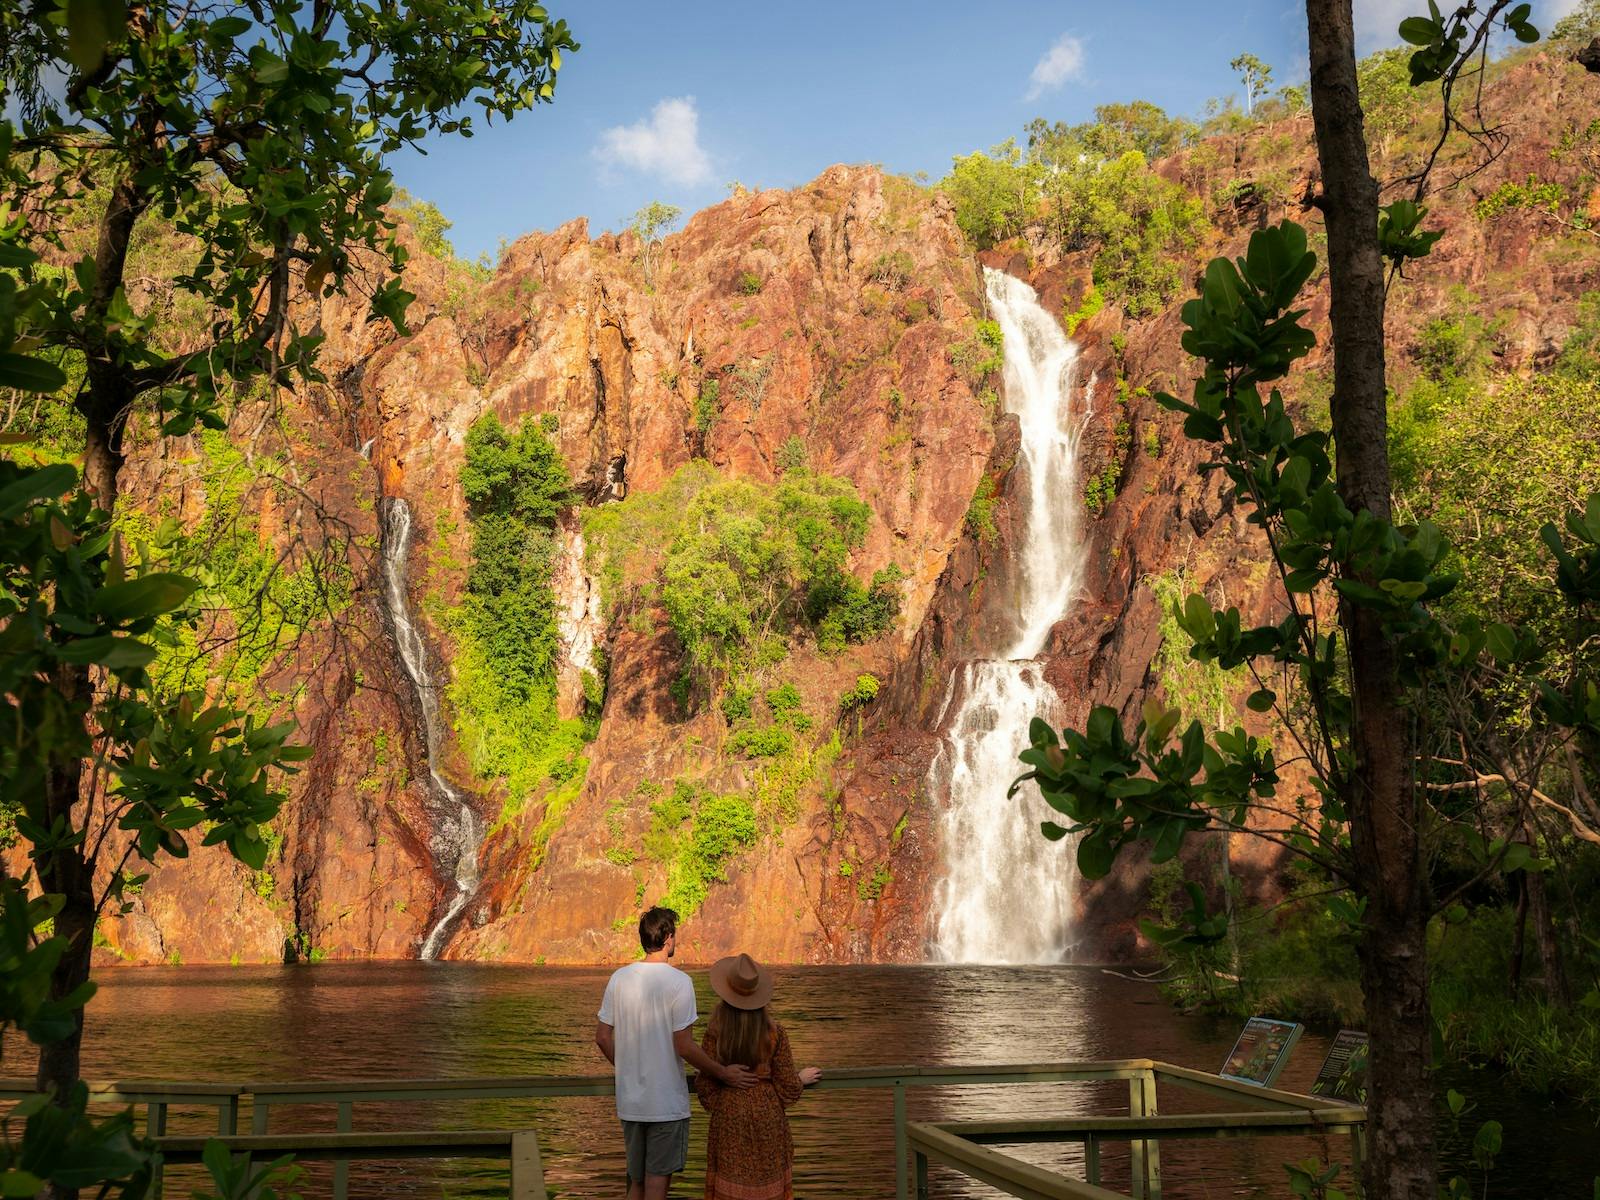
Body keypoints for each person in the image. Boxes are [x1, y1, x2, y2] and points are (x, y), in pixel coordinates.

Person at [596, 907, 756, 1200]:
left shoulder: (619, 978)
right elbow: (683, 1045)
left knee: (637, 1184)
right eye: (675, 935)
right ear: (668, 939)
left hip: (630, 1101)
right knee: (657, 1185)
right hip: (665, 1103)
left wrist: (630, 1069)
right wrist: (722, 1072)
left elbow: (603, 1038)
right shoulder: (679, 982)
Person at [694, 952, 822, 1200]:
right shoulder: (775, 1034)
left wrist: (722, 1097)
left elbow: (705, 1086)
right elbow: (787, 1087)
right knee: (769, 1183)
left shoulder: (716, 1032)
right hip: (768, 1113)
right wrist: (801, 1079)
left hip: (729, 1112)